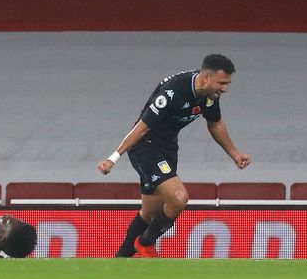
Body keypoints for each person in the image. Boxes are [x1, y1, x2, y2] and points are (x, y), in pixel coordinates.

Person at [97, 54, 251, 258]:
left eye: (227, 83)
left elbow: (215, 123)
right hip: (145, 146)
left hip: (168, 148)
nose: (225, 88)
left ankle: (120, 261)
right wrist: (113, 158)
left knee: (149, 212)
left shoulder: (209, 94)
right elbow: (141, 128)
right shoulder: (173, 92)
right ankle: (145, 243)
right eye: (221, 83)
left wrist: (234, 153)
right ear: (205, 77)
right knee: (179, 198)